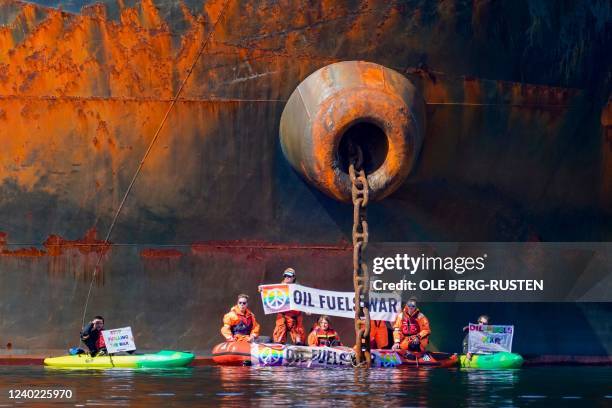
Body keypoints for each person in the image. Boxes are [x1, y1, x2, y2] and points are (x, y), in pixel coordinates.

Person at [271, 268, 306, 345]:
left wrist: (307, 309)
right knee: (279, 336)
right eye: (285, 276)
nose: (287, 277)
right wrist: (262, 290)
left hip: (295, 317)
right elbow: (268, 295)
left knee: (299, 339)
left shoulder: (299, 289)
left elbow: (304, 301)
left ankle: (299, 350)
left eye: (289, 276)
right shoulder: (278, 288)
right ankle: (278, 347)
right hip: (283, 316)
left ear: (293, 277)